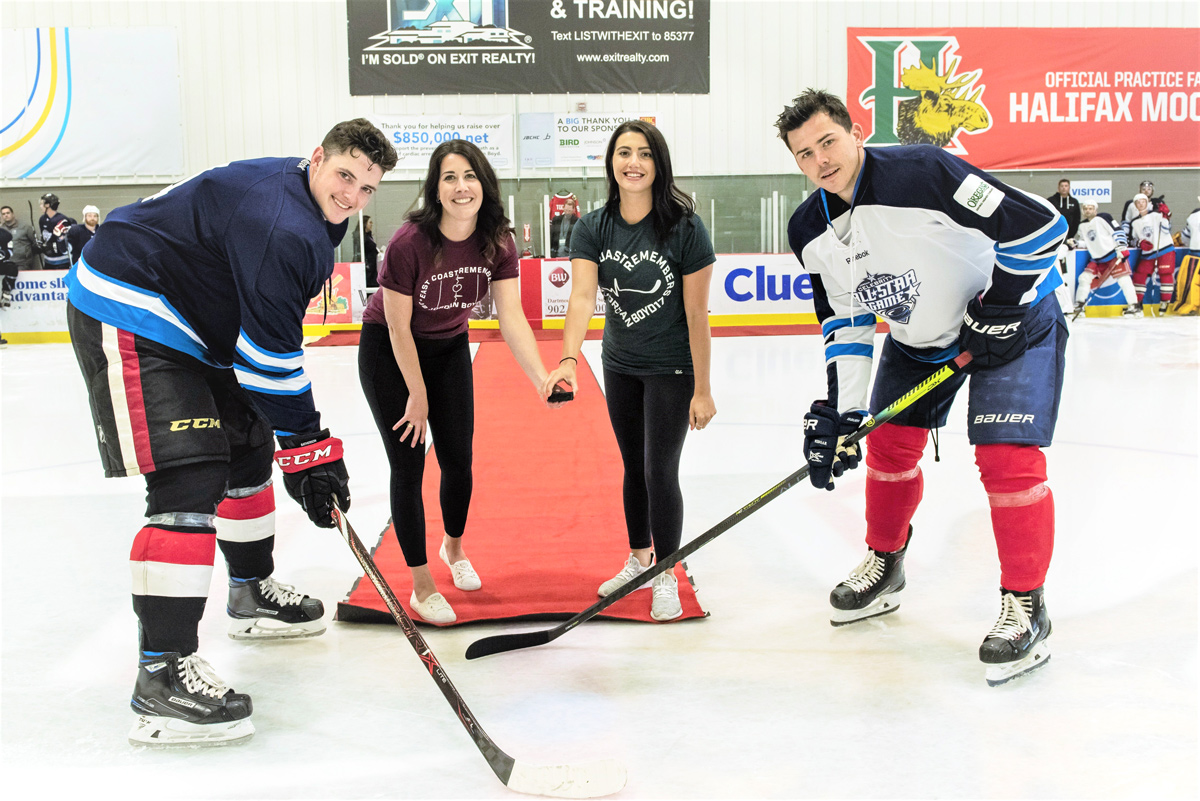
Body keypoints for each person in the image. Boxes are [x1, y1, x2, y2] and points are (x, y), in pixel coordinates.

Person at [64, 118, 397, 747]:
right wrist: (309, 447)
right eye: (344, 176)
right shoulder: (284, 224)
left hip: (197, 325)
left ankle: (250, 593)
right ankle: (160, 677)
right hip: (130, 302)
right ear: (316, 158)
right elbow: (269, 360)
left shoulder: (309, 211)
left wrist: (298, 449)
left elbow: (261, 350)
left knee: (246, 450)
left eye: (367, 187)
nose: (352, 195)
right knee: (188, 479)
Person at [776, 89, 1067, 686]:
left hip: (1014, 319)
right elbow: (846, 322)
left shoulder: (926, 171)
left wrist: (1002, 306)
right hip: (921, 336)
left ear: (856, 132)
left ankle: (1026, 606)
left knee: (1006, 457)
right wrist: (846, 413)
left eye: (828, 141)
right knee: (887, 447)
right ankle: (886, 564)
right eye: (804, 154)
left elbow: (1041, 225)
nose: (821, 160)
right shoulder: (809, 228)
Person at [357, 140, 560, 625]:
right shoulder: (411, 242)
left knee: (458, 460)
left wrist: (540, 378)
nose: (460, 186)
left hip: (448, 348)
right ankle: (421, 584)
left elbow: (510, 316)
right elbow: (399, 327)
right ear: (436, 188)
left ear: (483, 183)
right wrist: (417, 396)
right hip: (389, 351)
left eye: (469, 175)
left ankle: (453, 547)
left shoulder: (498, 240)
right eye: (449, 177)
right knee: (407, 466)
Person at [542, 120, 716, 622]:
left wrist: (702, 389)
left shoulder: (685, 227)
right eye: (624, 152)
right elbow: (580, 297)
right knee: (632, 468)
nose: (633, 162)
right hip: (619, 365)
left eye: (644, 153)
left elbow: (698, 316)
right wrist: (569, 358)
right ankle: (638, 557)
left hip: (672, 367)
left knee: (660, 470)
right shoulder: (593, 226)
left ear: (658, 164)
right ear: (611, 162)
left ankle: (666, 571)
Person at [1073, 202, 1139, 317]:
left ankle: (1134, 307)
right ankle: (1080, 306)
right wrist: (1076, 243)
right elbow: (1086, 242)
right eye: (1086, 208)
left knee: (1124, 280)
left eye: (1090, 208)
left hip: (1113, 255)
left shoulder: (1104, 217)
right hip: (1097, 260)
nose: (1088, 210)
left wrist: (1121, 247)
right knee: (1084, 278)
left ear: (1095, 209)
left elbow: (1117, 230)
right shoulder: (1082, 226)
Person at [1127, 193, 1176, 314]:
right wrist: (1140, 243)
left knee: (1165, 274)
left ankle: (1165, 302)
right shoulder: (1134, 222)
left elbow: (1166, 229)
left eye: (1143, 201)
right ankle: (1138, 303)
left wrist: (1166, 216)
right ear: (1135, 205)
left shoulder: (1156, 215)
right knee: (1139, 275)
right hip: (1148, 253)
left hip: (1164, 248)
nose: (1141, 204)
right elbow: (1133, 239)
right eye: (1138, 202)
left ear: (1147, 203)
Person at [1, 204, 43, 270]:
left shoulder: (25, 227)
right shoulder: (1, 230)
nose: (6, 215)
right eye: (3, 214)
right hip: (6, 263)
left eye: (8, 213)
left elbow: (35, 243)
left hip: (22, 264)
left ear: (13, 214)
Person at [37, 192, 73, 268]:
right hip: (48, 260)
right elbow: (44, 237)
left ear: (47, 205)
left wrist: (54, 245)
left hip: (62, 261)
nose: (40, 206)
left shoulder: (62, 220)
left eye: (41, 204)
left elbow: (65, 241)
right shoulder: (42, 219)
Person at [362, 214, 379, 286]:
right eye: (370, 222)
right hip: (367, 266)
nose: (372, 224)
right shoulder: (362, 237)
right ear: (365, 224)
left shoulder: (369, 236)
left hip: (372, 265)